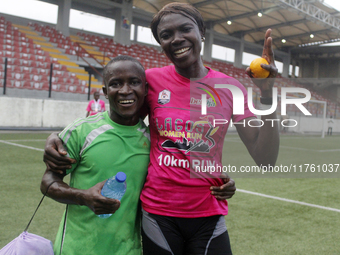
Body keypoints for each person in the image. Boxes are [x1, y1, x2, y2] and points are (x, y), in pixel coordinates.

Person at [43, 3, 279, 255]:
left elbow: (264, 158)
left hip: (208, 211)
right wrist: (59, 137)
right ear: (161, 43)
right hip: (158, 213)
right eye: (166, 35)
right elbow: (116, 118)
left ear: (201, 32)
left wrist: (268, 95)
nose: (177, 39)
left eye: (185, 29)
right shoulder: (152, 80)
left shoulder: (230, 87)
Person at [41, 55, 150, 255]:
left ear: (146, 89)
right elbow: (48, 181)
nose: (125, 90)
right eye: (116, 84)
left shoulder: (153, 140)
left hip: (128, 250)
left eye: (134, 82)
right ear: (106, 92)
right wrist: (83, 197)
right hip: (76, 249)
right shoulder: (82, 131)